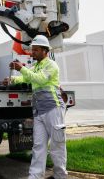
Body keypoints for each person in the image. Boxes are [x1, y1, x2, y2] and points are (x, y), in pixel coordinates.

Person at [4, 35, 67, 179]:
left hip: (53, 109)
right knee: (38, 147)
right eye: (33, 50)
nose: (33, 53)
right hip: (39, 112)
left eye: (36, 50)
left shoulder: (51, 65)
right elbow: (26, 77)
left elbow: (39, 78)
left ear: (45, 51)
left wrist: (21, 68)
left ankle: (60, 176)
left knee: (57, 145)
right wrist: (12, 79)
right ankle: (35, 176)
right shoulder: (36, 66)